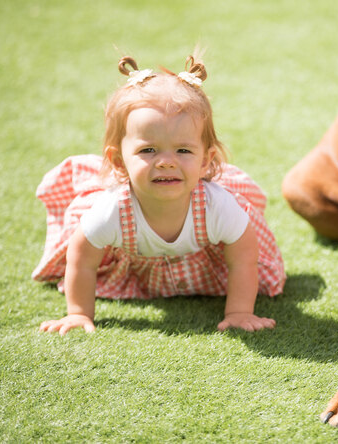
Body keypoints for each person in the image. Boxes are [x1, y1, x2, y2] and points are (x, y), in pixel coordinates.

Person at [33, 55, 285, 335]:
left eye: (183, 151)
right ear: (118, 162)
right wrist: (78, 313)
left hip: (203, 262)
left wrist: (239, 311)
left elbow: (242, 258)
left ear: (205, 161)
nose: (166, 162)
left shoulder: (217, 206)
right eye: (148, 150)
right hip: (135, 261)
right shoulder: (112, 210)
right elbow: (82, 259)